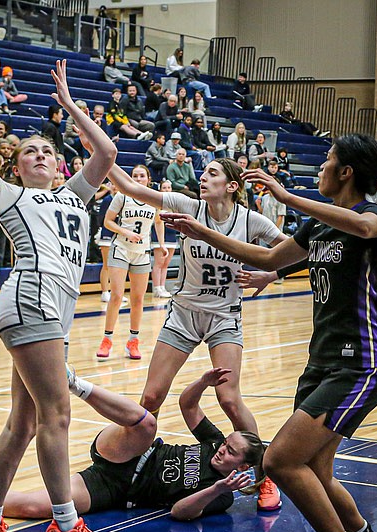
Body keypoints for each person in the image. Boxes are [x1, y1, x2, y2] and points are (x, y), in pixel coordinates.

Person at [159, 134, 377, 532]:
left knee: (282, 461)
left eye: (328, 161)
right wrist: (201, 233)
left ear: (347, 172)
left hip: (361, 361)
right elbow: (266, 259)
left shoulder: (371, 214)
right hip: (321, 362)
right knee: (319, 474)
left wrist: (284, 197)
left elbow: (367, 228)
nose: (321, 168)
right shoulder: (319, 229)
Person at [0, 59, 117, 532]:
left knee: (21, 424)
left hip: (53, 314)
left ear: (60, 164)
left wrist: (68, 106)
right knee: (55, 417)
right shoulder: (10, 195)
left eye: (46, 150)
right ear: (15, 166)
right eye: (28, 152)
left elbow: (105, 151)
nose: (38, 155)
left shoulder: (76, 197)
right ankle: (65, 526)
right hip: (29, 301)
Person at [104, 156, 286, 512]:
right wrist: (101, 154)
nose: (203, 177)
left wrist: (270, 275)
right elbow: (130, 187)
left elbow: (295, 251)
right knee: (152, 397)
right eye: (203, 172)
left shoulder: (251, 221)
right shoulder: (189, 206)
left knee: (229, 399)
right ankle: (127, 463)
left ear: (232, 186)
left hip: (223, 317)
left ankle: (264, 477)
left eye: (212, 173)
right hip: (184, 315)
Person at [0, 368, 262, 521]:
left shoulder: (223, 495)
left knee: (41, 507)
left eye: (230, 451)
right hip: (130, 449)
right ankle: (73, 382)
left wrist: (217, 488)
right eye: (226, 443)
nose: (221, 448)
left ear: (242, 468)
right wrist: (201, 382)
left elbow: (179, 512)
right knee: (147, 424)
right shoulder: (213, 441)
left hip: (114, 488)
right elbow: (188, 405)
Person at [96, 164, 167, 361]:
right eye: (135, 175)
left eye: (142, 176)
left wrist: (161, 244)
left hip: (142, 253)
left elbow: (159, 222)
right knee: (117, 295)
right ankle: (107, 339)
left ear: (148, 179)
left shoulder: (154, 200)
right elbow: (108, 222)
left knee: (138, 299)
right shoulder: (122, 196)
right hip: (121, 249)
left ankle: (133, 341)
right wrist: (125, 231)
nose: (138, 178)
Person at [151, 179, 177, 298]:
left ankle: (162, 286)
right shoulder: (157, 204)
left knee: (166, 264)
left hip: (171, 236)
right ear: (160, 189)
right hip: (159, 237)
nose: (167, 190)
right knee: (159, 263)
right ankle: (156, 288)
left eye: (168, 187)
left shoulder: (174, 205)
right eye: (164, 187)